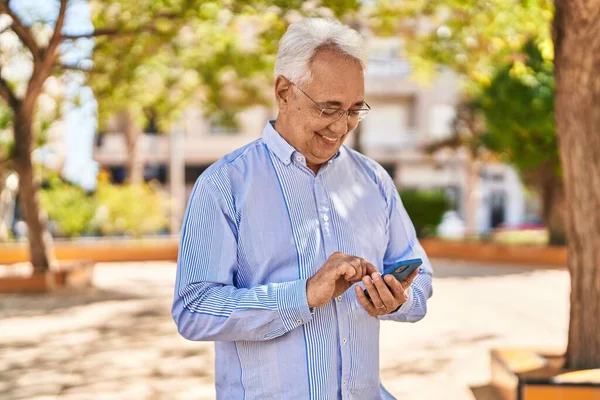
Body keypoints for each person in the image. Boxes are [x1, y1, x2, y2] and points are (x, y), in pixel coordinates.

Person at [172, 18, 434, 400]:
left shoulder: (374, 181)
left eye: (354, 110)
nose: (342, 126)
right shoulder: (223, 185)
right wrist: (303, 294)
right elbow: (194, 310)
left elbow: (421, 276)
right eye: (329, 108)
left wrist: (400, 298)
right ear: (284, 91)